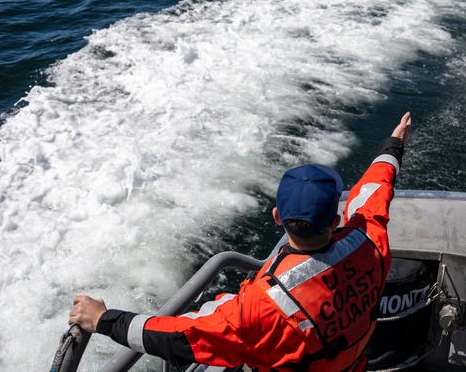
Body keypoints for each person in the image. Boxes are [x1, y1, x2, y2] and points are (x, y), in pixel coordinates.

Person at [69, 112, 412, 372]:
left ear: (277, 217)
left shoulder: (262, 308)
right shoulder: (371, 240)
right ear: (336, 221)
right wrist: (393, 144)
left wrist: (102, 319)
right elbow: (376, 188)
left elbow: (176, 337)